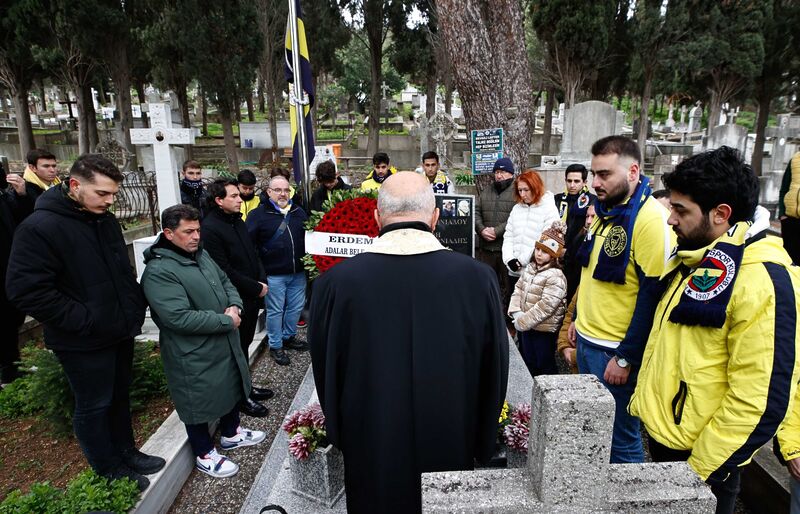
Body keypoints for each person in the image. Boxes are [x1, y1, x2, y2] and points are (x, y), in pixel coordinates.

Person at [309, 172, 509, 513]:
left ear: (376, 217)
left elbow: (326, 367)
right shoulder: (477, 279)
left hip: (371, 438)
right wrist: (483, 438)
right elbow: (495, 367)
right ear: (435, 217)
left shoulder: (335, 284)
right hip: (451, 431)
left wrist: (340, 432)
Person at [629, 146, 800, 514]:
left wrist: (697, 473)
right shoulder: (702, 255)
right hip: (669, 441)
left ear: (721, 214)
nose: (670, 220)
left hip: (703, 463)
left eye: (680, 210)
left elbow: (761, 400)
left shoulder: (762, 283)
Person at [6, 154, 163, 491]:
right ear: (75, 186)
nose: (110, 201)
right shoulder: (39, 228)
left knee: (119, 396)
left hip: (118, 329)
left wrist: (132, 309)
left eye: (113, 195)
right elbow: (26, 291)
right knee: (95, 404)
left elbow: (120, 271)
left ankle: (127, 452)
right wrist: (86, 320)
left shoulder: (102, 220)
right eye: (102, 194)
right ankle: (108, 469)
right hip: (82, 339)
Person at [568, 136, 673, 464]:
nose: (594, 183)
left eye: (604, 175)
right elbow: (592, 269)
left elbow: (652, 294)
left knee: (621, 440)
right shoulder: (605, 209)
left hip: (614, 351)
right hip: (588, 339)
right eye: (593, 174)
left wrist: (627, 357)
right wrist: (576, 320)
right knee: (595, 433)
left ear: (633, 171)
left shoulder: (650, 220)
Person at [142, 204, 266, 479]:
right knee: (196, 400)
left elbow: (225, 282)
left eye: (197, 230)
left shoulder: (201, 254)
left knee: (231, 383)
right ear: (169, 233)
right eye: (188, 232)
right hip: (193, 351)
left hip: (223, 341)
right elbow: (178, 318)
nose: (196, 236)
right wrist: (226, 321)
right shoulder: (160, 271)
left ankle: (232, 433)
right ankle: (204, 453)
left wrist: (235, 305)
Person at [201, 179, 273, 416]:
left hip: (252, 293)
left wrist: (262, 280)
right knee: (236, 349)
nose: (239, 199)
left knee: (244, 345)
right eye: (233, 196)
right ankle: (240, 397)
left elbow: (252, 253)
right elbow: (224, 269)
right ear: (219, 200)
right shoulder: (210, 228)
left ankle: (247, 387)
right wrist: (254, 287)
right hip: (236, 298)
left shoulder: (237, 221)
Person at [246, 175, 309, 366]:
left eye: (286, 190)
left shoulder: (299, 212)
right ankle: (275, 345)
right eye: (278, 190)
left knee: (296, 308)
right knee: (275, 311)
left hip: (297, 272)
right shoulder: (258, 214)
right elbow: (251, 246)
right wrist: (260, 273)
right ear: (269, 192)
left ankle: (289, 337)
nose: (283, 194)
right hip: (273, 274)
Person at [508, 221, 568, 377]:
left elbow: (546, 306)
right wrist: (515, 312)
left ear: (554, 255)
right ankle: (530, 392)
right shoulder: (530, 269)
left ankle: (548, 393)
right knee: (528, 360)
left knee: (544, 363)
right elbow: (518, 289)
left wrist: (522, 322)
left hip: (544, 330)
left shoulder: (556, 276)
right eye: (537, 249)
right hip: (526, 326)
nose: (539, 254)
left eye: (545, 251)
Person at [501, 170, 559, 308]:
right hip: (513, 270)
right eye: (519, 190)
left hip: (535, 271)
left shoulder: (549, 209)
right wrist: (509, 259)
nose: (522, 194)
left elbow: (545, 240)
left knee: (530, 311)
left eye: (526, 190)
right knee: (513, 309)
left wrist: (521, 260)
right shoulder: (516, 209)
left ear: (535, 187)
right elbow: (508, 235)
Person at [0, 170, 33, 383]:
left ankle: (11, 367)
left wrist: (22, 195)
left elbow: (20, 219)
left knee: (9, 321)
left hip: (8, 268)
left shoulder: (3, 198)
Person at [475, 157, 517, 306]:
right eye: (497, 172)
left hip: (506, 250)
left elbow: (516, 216)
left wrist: (496, 231)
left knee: (509, 286)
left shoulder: (517, 192)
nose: (499, 176)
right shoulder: (487, 191)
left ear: (511, 173)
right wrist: (481, 229)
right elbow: (476, 211)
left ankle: (508, 319)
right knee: (485, 285)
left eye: (503, 172)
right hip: (486, 249)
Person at [553, 164, 597, 302]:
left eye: (577, 181)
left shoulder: (593, 201)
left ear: (585, 182)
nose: (572, 185)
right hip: (555, 255)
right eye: (569, 181)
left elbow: (588, 230)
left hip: (577, 257)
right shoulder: (557, 199)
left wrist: (568, 251)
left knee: (572, 297)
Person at [779, 151, 800, 263]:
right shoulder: (795, 159)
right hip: (789, 220)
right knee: (788, 258)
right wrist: (782, 214)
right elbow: (784, 188)